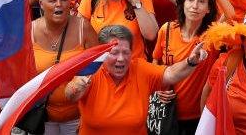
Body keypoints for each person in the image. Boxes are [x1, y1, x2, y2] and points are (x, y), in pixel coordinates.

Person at [65, 24, 207, 134]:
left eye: (126, 52)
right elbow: (70, 95)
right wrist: (78, 87)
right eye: (114, 53)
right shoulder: (91, 69)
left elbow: (171, 74)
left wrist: (191, 61)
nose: (121, 59)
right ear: (102, 54)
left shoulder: (140, 69)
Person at [152, 0, 234, 132]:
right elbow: (155, 61)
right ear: (182, 3)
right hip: (168, 113)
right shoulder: (166, 30)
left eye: (201, 1)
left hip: (199, 116)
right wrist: (158, 86)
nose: (194, 6)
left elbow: (231, 15)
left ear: (208, 9)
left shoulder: (211, 36)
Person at [31, 0, 99, 133]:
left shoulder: (84, 28)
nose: (59, 5)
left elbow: (98, 68)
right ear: (41, 4)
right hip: (41, 117)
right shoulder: (29, 32)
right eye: (52, 0)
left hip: (78, 116)